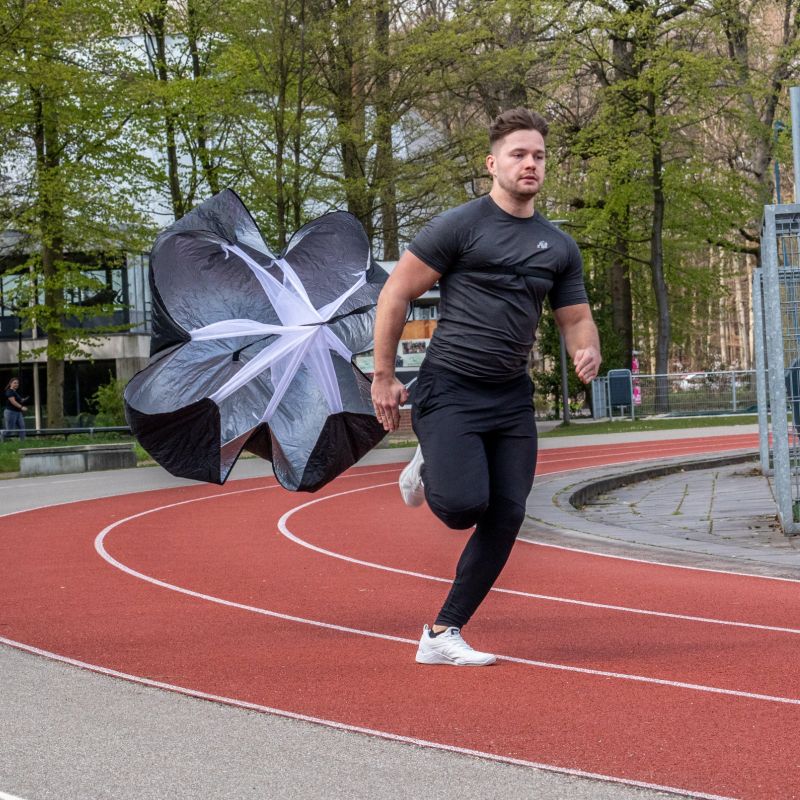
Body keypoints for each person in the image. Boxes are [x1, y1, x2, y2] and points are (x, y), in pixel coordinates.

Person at [370, 108, 601, 666]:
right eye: (519, 154)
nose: (530, 164)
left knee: (508, 513)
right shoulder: (459, 226)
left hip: (510, 396)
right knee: (462, 507)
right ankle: (429, 464)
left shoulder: (558, 246)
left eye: (539, 156)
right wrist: (383, 374)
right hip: (449, 386)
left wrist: (586, 348)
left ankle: (441, 632)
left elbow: (575, 317)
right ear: (492, 163)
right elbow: (396, 293)